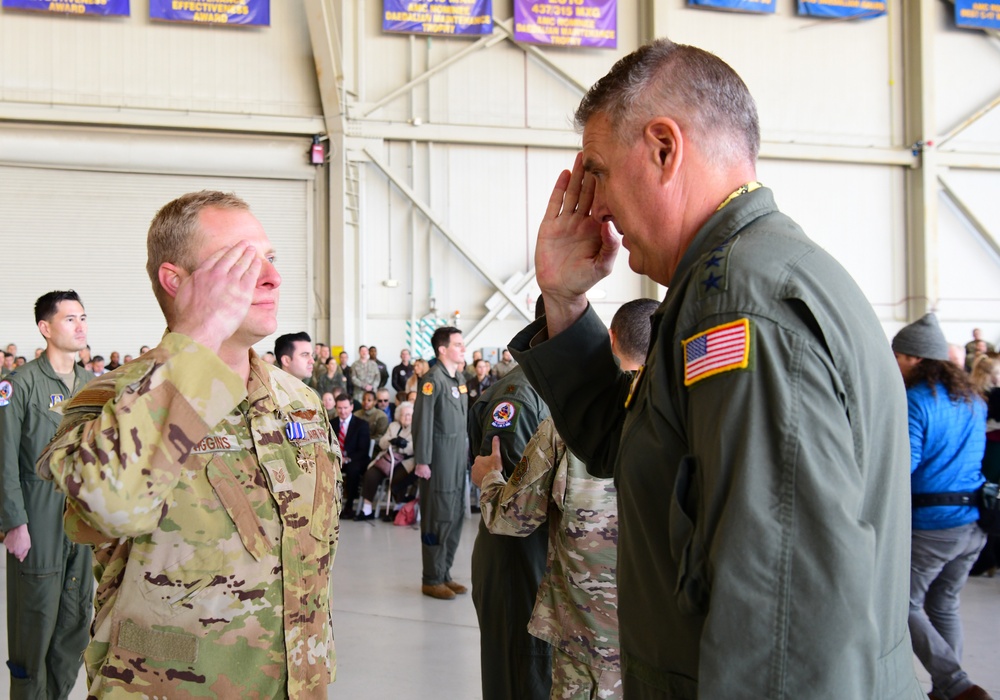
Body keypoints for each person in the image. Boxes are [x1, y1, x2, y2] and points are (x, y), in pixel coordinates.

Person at [507, 39, 921, 699]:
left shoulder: (739, 309)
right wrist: (563, 301)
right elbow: (635, 447)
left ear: (664, 149)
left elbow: (781, 619)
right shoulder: (736, 280)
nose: (599, 208)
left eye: (601, 172)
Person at [36, 190, 343, 698]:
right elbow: (113, 506)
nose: (272, 277)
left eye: (269, 258)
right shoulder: (113, 400)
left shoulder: (299, 400)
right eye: (241, 264)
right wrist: (198, 333)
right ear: (175, 281)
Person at [472, 298, 656, 700]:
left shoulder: (569, 424)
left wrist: (488, 478)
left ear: (610, 338)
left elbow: (512, 518)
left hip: (590, 644)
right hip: (663, 642)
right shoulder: (689, 417)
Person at [0, 290, 94, 699]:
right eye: (70, 319)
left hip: (83, 519)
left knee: (74, 625)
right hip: (37, 516)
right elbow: (3, 459)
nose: (80, 326)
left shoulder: (93, 385)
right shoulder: (18, 385)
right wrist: (13, 523)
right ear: (46, 328)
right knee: (34, 626)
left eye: (83, 318)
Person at [893, 314, 992, 700]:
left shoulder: (915, 400)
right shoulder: (972, 400)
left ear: (916, 359)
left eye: (897, 356)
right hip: (974, 523)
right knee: (943, 603)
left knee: (902, 604)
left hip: (934, 524)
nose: (894, 364)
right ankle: (948, 691)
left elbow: (905, 464)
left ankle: (956, 685)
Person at [467, 299, 552, 700]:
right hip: (518, 564)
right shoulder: (519, 397)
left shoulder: (555, 388)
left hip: (540, 561)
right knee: (523, 677)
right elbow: (510, 500)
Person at [412, 326, 469, 600]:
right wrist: (422, 460)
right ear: (442, 349)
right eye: (458, 344)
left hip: (458, 460)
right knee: (437, 518)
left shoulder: (457, 378)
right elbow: (421, 423)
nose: (463, 348)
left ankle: (444, 573)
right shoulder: (431, 380)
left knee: (455, 516)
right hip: (438, 462)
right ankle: (431, 578)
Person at [356, 401, 417, 521]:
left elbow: (415, 448)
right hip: (388, 458)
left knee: (397, 477)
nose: (406, 417)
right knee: (371, 474)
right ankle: (367, 509)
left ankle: (397, 509)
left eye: (409, 414)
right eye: (404, 414)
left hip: (406, 461)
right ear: (399, 415)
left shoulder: (417, 428)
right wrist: (392, 441)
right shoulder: (393, 426)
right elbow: (383, 443)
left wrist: (402, 446)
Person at [332, 392, 372, 520]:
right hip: (336, 459)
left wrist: (347, 459)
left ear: (351, 407)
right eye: (339, 408)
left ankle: (349, 506)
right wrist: (338, 458)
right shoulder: (331, 423)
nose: (342, 411)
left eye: (345, 408)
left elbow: (363, 449)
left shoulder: (362, 425)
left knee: (353, 470)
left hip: (355, 459)